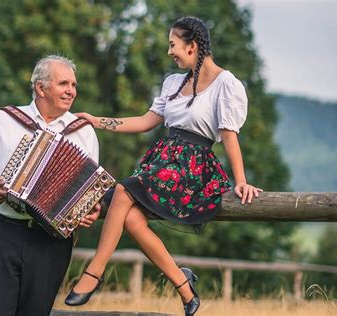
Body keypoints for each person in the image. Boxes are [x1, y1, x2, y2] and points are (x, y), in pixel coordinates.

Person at [64, 17, 263, 315]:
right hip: (162, 160)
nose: (169, 51)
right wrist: (97, 121)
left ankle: (94, 272)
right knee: (131, 220)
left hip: (193, 165)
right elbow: (145, 122)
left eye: (173, 44)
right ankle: (183, 285)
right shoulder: (173, 82)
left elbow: (229, 133)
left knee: (122, 191)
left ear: (192, 46)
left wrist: (241, 180)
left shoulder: (226, 83)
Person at [0, 55, 101, 316]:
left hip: (51, 243)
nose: (72, 91)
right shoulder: (4, 120)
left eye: (74, 85)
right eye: (64, 84)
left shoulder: (83, 131)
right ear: (40, 87)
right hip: (2, 234)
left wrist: (88, 207)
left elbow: (87, 187)